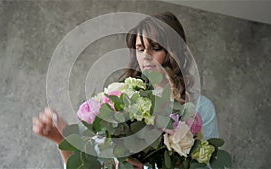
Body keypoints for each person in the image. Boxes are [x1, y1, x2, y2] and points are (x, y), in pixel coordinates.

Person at [32, 12, 219, 169]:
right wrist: (61, 140)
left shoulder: (201, 108)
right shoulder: (118, 101)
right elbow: (92, 163)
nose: (145, 56)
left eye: (155, 48)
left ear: (174, 52)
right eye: (139, 48)